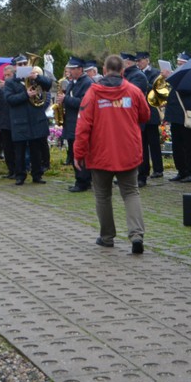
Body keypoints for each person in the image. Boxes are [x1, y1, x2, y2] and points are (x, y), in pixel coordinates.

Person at [74, 55, 150, 254]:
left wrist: (78, 153)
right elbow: (145, 115)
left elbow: (83, 126)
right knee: (131, 192)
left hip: (101, 153)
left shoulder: (93, 93)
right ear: (123, 71)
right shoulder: (133, 91)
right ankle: (136, 235)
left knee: (103, 195)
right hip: (128, 151)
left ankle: (107, 237)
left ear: (104, 70)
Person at [5, 59, 52, 185]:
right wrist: (26, 95)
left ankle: (37, 175)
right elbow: (9, 99)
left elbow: (48, 85)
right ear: (15, 67)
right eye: (20, 64)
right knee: (19, 150)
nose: (23, 66)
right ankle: (20, 175)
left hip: (35, 119)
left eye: (25, 64)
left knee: (36, 149)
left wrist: (37, 77)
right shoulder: (10, 82)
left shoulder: (35, 79)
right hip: (20, 120)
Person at [164, 61, 191, 184]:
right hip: (175, 116)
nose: (179, 65)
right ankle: (181, 171)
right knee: (177, 146)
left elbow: (188, 91)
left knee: (189, 146)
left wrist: (171, 78)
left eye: (182, 63)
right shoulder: (179, 76)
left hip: (186, 115)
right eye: (178, 63)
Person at [58, 57, 91, 192]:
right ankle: (81, 179)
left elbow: (84, 103)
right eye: (69, 69)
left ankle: (82, 182)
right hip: (71, 122)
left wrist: (66, 99)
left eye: (72, 69)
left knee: (80, 153)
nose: (69, 71)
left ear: (79, 69)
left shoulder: (87, 83)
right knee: (73, 152)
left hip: (79, 123)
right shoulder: (72, 82)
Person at [120, 54, 150, 186]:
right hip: (125, 118)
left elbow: (131, 96)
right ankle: (127, 174)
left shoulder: (138, 76)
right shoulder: (125, 75)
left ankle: (141, 176)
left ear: (127, 63)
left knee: (140, 148)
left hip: (135, 118)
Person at [136, 52, 164, 181]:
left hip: (152, 112)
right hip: (140, 113)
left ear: (147, 60)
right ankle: (144, 169)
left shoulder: (155, 73)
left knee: (154, 143)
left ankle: (158, 169)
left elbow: (158, 90)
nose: (139, 63)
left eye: (141, 60)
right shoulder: (137, 73)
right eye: (137, 61)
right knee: (142, 143)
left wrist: (145, 83)